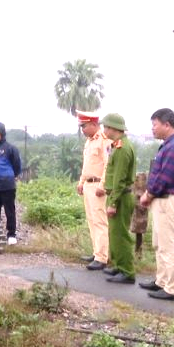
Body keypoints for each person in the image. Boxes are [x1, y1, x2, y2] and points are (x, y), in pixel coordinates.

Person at [139, 108, 174, 302]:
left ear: (167, 124)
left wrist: (148, 194)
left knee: (169, 246)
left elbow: (164, 179)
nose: (153, 128)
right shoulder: (168, 145)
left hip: (168, 200)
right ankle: (162, 281)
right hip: (162, 200)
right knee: (160, 244)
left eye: (155, 124)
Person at [100, 113, 137, 284]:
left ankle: (127, 271)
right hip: (116, 195)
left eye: (106, 126)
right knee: (114, 233)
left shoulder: (122, 148)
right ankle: (118, 265)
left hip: (121, 197)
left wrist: (113, 202)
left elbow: (120, 179)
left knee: (121, 234)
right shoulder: (117, 145)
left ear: (114, 128)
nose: (104, 129)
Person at [75, 110, 112, 271]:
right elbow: (87, 165)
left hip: (97, 186)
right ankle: (96, 252)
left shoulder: (104, 141)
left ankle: (102, 257)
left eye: (84, 126)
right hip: (88, 184)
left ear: (94, 124)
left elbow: (107, 165)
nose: (82, 129)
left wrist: (102, 185)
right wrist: (81, 181)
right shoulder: (90, 141)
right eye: (81, 126)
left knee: (99, 221)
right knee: (91, 220)